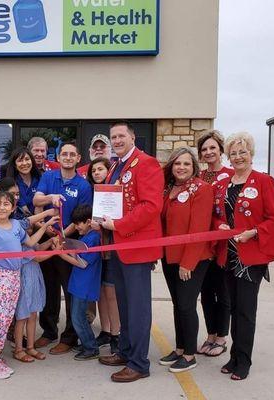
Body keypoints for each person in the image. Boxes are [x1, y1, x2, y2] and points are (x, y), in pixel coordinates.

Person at [96, 121, 163, 383]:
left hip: (136, 246)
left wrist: (119, 225)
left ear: (132, 137)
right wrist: (101, 221)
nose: (117, 140)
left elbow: (150, 206)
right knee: (124, 305)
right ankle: (125, 351)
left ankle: (139, 363)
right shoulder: (116, 165)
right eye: (113, 137)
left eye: (121, 135)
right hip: (119, 246)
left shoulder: (145, 163)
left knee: (138, 308)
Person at [213, 132, 274, 381]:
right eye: (233, 153)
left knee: (245, 311)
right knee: (232, 308)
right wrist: (220, 225)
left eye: (242, 152)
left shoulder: (264, 181)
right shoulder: (223, 184)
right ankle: (234, 356)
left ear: (251, 154)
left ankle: (243, 361)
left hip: (250, 258)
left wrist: (253, 232)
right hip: (228, 256)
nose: (238, 157)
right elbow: (218, 215)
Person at [0, 191, 59, 379]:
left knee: (6, 321)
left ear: (13, 207)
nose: (2, 207)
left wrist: (45, 225)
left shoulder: (15, 225)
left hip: (15, 277)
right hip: (1, 278)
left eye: (6, 204)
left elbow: (29, 242)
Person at [33, 141, 93, 355]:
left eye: (72, 155)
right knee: (48, 289)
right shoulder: (49, 177)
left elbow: (81, 217)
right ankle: (48, 331)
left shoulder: (83, 186)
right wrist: (44, 227)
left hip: (68, 242)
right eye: (64, 154)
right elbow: (37, 200)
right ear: (58, 158)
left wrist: (62, 236)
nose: (68, 157)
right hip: (49, 241)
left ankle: (69, 336)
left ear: (78, 159)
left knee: (70, 290)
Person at [158, 148, 214, 373]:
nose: (181, 167)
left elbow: (199, 229)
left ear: (194, 167)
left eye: (186, 164)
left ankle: (190, 354)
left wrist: (188, 263)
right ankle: (180, 348)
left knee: (186, 305)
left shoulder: (201, 189)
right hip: (169, 256)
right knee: (177, 304)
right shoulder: (168, 188)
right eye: (177, 163)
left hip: (192, 258)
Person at [196, 130, 233, 356]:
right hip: (202, 244)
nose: (209, 152)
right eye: (204, 149)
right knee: (206, 291)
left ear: (220, 150)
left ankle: (222, 337)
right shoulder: (198, 176)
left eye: (212, 148)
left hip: (223, 244)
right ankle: (210, 334)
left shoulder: (231, 175)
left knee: (223, 291)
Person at [58, 205, 102, 361]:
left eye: (79, 224)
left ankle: (91, 347)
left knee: (77, 317)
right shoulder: (86, 236)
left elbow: (82, 263)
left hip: (84, 285)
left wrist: (62, 254)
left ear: (89, 221)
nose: (76, 227)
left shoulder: (94, 238)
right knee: (78, 316)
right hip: (79, 283)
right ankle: (87, 342)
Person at [86, 157, 121, 355]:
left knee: (111, 293)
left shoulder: (116, 192)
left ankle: (116, 334)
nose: (97, 173)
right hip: (95, 250)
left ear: (109, 171)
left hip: (111, 249)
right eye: (94, 171)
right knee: (100, 293)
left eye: (101, 169)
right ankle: (106, 331)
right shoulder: (90, 193)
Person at [13, 237, 58, 363]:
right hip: (24, 283)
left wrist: (49, 241)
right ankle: (18, 349)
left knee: (33, 315)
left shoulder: (29, 241)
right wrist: (55, 251)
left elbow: (38, 247)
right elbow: (37, 257)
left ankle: (30, 347)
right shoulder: (18, 243)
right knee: (21, 318)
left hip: (33, 281)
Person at [6, 147, 42, 215]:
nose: (24, 163)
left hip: (42, 221)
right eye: (20, 161)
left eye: (27, 159)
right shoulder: (11, 184)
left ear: (32, 161)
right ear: (15, 165)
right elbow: (25, 211)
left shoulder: (40, 179)